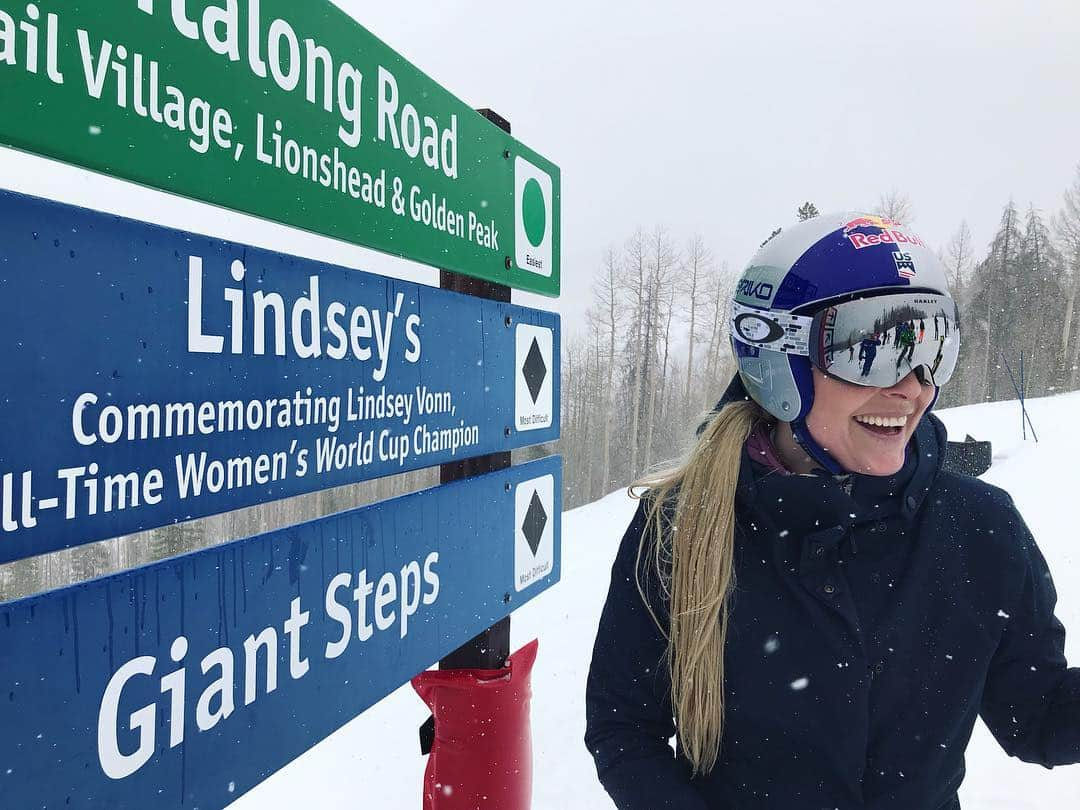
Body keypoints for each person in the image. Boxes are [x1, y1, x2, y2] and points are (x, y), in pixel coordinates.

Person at [584, 212, 1079, 810]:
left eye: (932, 349)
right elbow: (624, 729)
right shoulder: (683, 524)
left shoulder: (979, 528)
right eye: (873, 348)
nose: (913, 387)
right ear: (780, 361)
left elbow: (1041, 713)